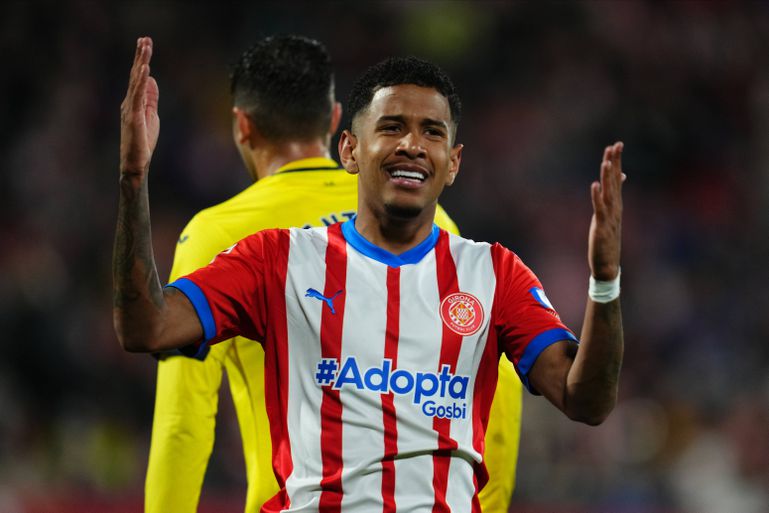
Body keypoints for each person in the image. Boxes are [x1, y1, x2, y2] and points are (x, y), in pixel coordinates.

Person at [114, 36, 624, 512]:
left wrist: (605, 283)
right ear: (349, 148)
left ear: (453, 163)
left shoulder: (492, 272)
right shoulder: (278, 260)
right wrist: (134, 180)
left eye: (432, 132)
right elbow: (147, 329)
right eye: (392, 127)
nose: (412, 145)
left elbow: (585, 401)